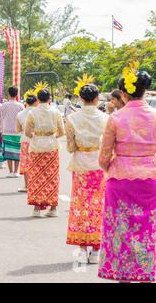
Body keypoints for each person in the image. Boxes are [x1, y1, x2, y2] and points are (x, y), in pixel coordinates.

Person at [98, 67, 155, 283]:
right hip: (150, 178)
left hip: (120, 180)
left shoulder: (115, 118)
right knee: (148, 229)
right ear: (145, 92)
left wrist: (111, 166)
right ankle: (146, 274)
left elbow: (104, 156)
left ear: (123, 93)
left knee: (122, 231)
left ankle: (124, 276)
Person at [65, 83, 108, 265]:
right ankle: (96, 250)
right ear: (97, 98)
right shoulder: (106, 118)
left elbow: (69, 147)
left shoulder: (72, 118)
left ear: (81, 99)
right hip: (99, 166)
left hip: (81, 165)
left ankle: (82, 249)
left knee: (81, 205)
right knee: (99, 205)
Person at [25, 89, 65, 218]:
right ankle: (53, 208)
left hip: (37, 146)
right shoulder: (56, 112)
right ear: (49, 99)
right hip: (52, 146)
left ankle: (37, 208)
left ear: (38, 99)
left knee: (36, 176)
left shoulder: (32, 112)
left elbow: (27, 132)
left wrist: (36, 136)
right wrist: (52, 136)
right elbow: (61, 131)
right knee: (52, 177)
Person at [16, 94, 38, 193]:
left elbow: (18, 129)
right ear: (36, 102)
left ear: (26, 103)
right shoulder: (38, 112)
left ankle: (27, 185)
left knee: (25, 162)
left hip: (25, 139)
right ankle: (36, 184)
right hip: (37, 140)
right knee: (36, 162)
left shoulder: (20, 114)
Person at [1, 86, 25, 177]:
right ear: (16, 94)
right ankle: (16, 171)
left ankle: (10, 172)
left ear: (8, 94)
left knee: (8, 152)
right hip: (18, 132)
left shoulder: (4, 105)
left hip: (7, 130)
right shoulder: (20, 105)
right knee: (17, 152)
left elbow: (1, 118)